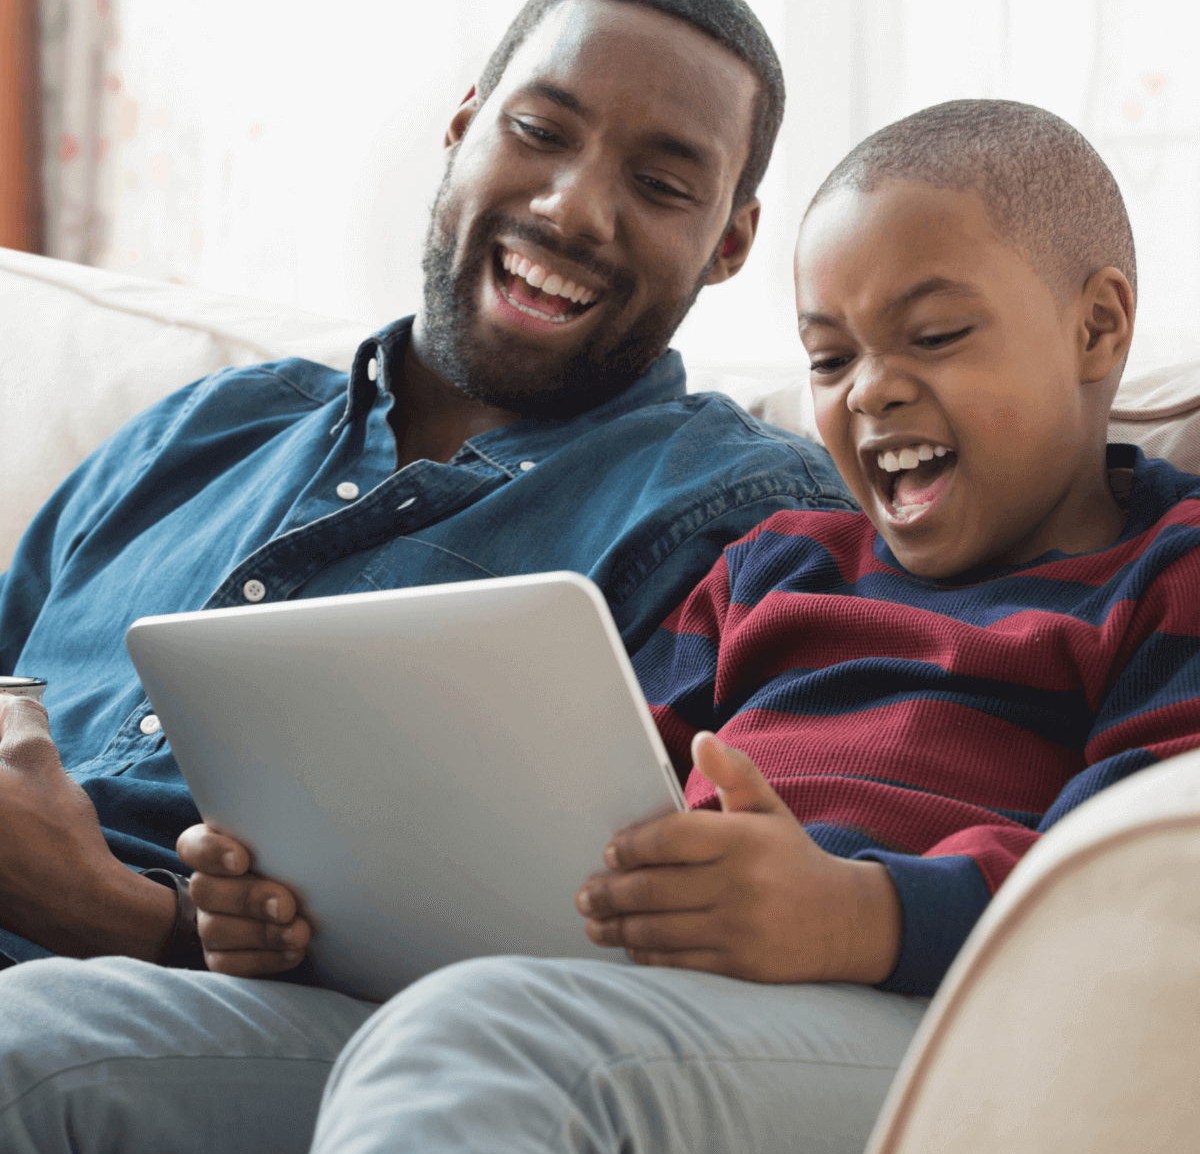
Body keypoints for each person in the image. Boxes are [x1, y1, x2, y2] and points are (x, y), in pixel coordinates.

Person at [8, 98, 1196, 1152]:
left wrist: (855, 913)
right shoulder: (779, 559)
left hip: (929, 1028)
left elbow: (1119, 897)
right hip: (608, 1005)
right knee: (43, 1031)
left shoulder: (1168, 568)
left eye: (932, 337)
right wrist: (308, 907)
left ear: (1099, 329)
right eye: (828, 357)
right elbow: (587, 809)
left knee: (485, 1037)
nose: (869, 389)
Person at [0, 0, 854, 971]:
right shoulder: (204, 427)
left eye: (663, 185)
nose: (574, 211)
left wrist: (124, 918)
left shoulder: (742, 515)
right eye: (538, 132)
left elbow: (581, 957)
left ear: (730, 242)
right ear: (463, 126)